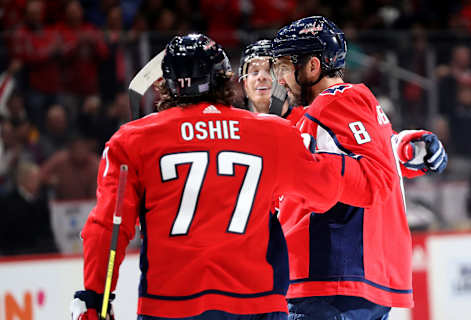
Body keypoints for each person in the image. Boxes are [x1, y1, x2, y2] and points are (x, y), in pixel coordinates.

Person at [70, 33, 372, 320]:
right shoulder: (273, 133)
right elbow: (326, 192)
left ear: (167, 85)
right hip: (257, 303)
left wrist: (97, 296)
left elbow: (108, 227)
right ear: (227, 79)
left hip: (169, 304)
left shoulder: (131, 140)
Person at [271, 16, 448, 320]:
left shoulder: (333, 103)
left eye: (286, 67)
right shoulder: (343, 104)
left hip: (332, 281)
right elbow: (375, 155)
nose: (281, 79)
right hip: (342, 283)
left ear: (313, 66)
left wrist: (303, 172)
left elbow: (373, 178)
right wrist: (406, 147)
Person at [238, 39, 305, 123]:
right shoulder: (237, 127)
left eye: (270, 71)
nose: (261, 77)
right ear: (245, 84)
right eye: (254, 72)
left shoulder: (305, 120)